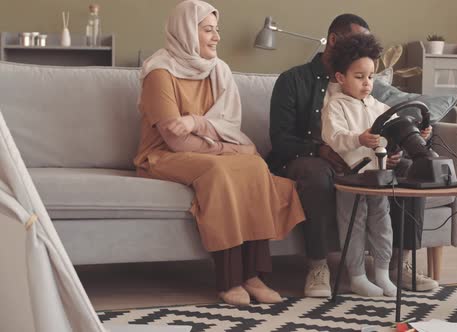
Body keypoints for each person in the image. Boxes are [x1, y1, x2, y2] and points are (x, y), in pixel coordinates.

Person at [133, 0, 305, 306]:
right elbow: (176, 142)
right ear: (186, 32)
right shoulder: (159, 73)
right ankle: (228, 279)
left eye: (217, 30)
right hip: (162, 156)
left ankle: (253, 274)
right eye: (208, 30)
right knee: (221, 170)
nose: (217, 37)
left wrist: (203, 130)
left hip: (208, 150)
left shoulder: (219, 71)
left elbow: (227, 125)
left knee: (253, 165)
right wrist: (230, 148)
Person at [267, 14, 438, 297]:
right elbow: (281, 140)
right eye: (357, 41)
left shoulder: (366, 84)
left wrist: (393, 151)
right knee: (316, 173)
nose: (361, 48)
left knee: (408, 169)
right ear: (334, 41)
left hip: (362, 158)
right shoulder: (292, 80)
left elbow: (384, 124)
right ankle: (318, 265)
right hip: (309, 158)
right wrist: (320, 149)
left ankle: (398, 265)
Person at [321, 33, 398, 297]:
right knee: (353, 225)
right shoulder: (334, 107)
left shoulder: (379, 107)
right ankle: (357, 276)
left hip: (379, 178)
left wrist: (417, 133)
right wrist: (359, 139)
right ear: (341, 78)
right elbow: (334, 138)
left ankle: (383, 273)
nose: (367, 83)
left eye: (371, 77)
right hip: (351, 180)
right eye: (359, 77)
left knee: (382, 223)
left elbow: (398, 129)